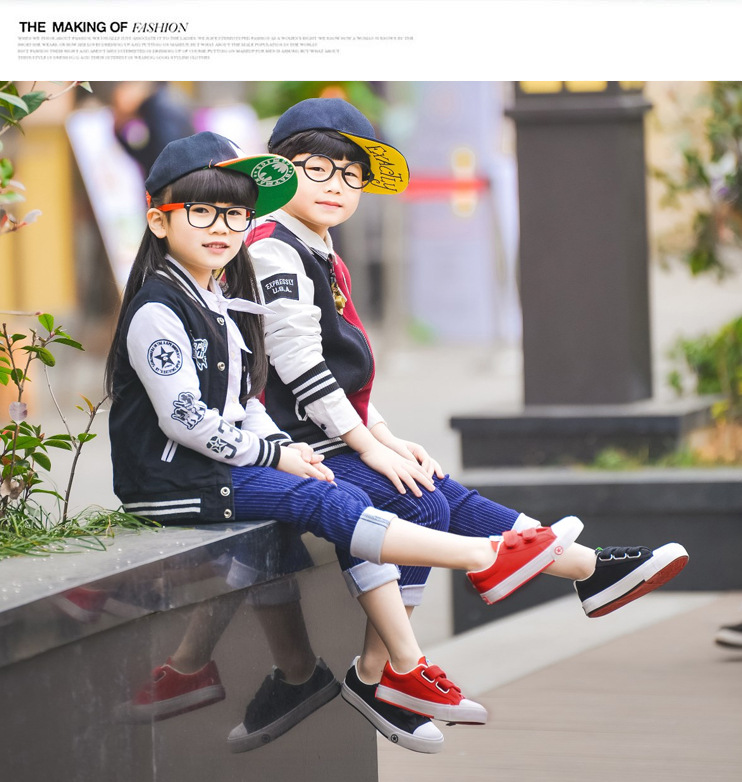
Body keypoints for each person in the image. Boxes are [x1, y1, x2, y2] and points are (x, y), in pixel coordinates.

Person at [105, 130, 589, 754]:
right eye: (201, 211)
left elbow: (245, 402)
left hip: (215, 467)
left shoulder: (219, 297)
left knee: (331, 495)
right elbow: (186, 420)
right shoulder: (158, 308)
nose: (222, 227)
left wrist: (287, 450)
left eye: (235, 213)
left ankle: (260, 672)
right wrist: (276, 454)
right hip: (175, 481)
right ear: (159, 220)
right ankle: (476, 567)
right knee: (326, 501)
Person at [244, 97, 691, 739]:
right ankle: (382, 673)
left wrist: (386, 436)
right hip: (291, 444)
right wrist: (368, 444)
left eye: (351, 174)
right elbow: (297, 363)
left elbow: (339, 373)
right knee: (420, 500)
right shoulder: (273, 249)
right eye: (316, 168)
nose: (336, 185)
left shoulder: (314, 245)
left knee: (434, 484)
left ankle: (588, 571)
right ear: (278, 172)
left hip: (325, 433)